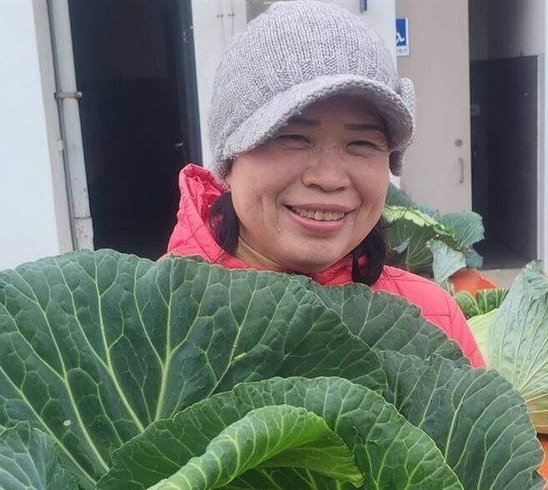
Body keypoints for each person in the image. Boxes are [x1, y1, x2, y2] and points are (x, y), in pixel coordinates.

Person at [166, 0, 484, 368]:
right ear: (230, 160)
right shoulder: (153, 323)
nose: (330, 178)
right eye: (293, 137)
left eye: (362, 143)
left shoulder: (433, 318)